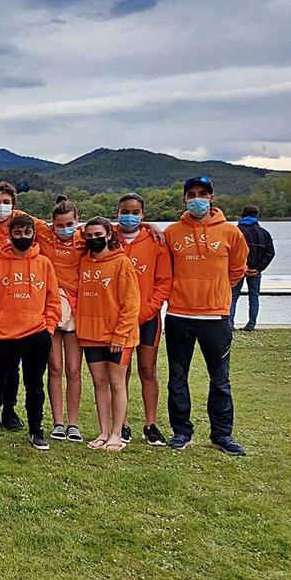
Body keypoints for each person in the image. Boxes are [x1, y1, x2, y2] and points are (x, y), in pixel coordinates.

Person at [163, 176, 248, 455]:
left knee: (220, 378)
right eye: (191, 194)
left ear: (211, 197)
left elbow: (236, 271)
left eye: (202, 194)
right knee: (178, 376)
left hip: (216, 316)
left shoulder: (231, 233)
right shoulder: (172, 233)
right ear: (184, 199)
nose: (196, 199)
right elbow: (166, 270)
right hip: (179, 314)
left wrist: (216, 292)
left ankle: (222, 434)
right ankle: (181, 431)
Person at [0, 214, 61, 450]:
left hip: (35, 334)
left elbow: (53, 300)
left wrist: (49, 328)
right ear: (10, 235)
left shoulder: (44, 263)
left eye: (27, 233)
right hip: (2, 335)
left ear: (34, 234)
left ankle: (36, 429)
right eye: (18, 233)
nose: (22, 237)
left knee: (34, 385)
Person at [76, 217, 140, 452]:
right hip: (91, 334)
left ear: (109, 235)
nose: (94, 239)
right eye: (89, 236)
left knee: (116, 383)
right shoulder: (83, 262)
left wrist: (120, 335)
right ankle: (103, 432)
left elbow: (131, 303)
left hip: (118, 336)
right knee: (99, 383)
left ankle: (117, 433)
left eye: (98, 235)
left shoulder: (121, 263)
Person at [116, 193, 172, 446]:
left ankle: (151, 424)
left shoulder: (156, 241)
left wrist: (148, 309)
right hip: (118, 320)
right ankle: (122, 422)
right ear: (117, 212)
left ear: (143, 214)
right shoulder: (109, 236)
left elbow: (164, 282)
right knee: (121, 372)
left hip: (148, 317)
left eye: (135, 212)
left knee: (147, 370)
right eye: (124, 211)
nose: (130, 216)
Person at [39, 196, 86, 443]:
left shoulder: (86, 239)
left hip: (77, 311)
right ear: (52, 224)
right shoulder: (44, 235)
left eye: (70, 224)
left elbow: (114, 231)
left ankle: (73, 423)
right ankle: (58, 422)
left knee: (74, 370)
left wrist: (151, 226)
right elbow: (16, 215)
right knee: (55, 368)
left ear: (77, 221)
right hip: (52, 308)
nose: (65, 228)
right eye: (60, 224)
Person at [232, 205, 275, 331]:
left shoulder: (236, 231)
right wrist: (258, 268)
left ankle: (230, 323)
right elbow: (270, 253)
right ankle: (251, 324)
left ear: (242, 214)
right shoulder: (264, 233)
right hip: (256, 270)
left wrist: (242, 266)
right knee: (254, 297)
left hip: (239, 269)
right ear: (257, 215)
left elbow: (231, 251)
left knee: (233, 297)